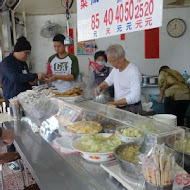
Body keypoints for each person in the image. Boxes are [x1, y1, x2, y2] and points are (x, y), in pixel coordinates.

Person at [0, 36, 44, 171]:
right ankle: (12, 157)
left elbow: (25, 77)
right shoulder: (6, 63)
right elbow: (15, 77)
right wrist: (35, 76)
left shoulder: (23, 63)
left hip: (27, 101)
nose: (27, 56)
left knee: (26, 128)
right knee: (12, 128)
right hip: (13, 101)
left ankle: (26, 152)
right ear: (18, 51)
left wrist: (31, 81)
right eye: (26, 53)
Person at [94, 44, 142, 114]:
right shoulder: (115, 69)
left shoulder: (133, 71)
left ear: (122, 58)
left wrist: (114, 103)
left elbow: (135, 96)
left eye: (113, 61)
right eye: (109, 61)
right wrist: (100, 87)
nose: (111, 64)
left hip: (131, 108)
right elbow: (108, 81)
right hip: (120, 107)